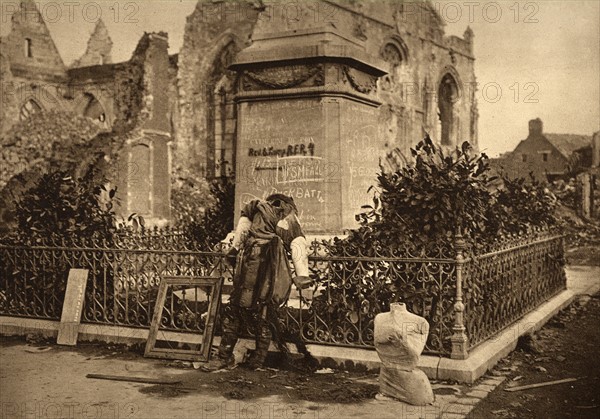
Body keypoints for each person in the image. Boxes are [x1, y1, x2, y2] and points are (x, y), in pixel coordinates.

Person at [203, 194, 312, 371]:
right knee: (245, 310)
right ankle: (233, 357)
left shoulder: (257, 210)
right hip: (254, 267)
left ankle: (248, 358)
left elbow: (242, 233)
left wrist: (235, 249)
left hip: (266, 268)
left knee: (261, 312)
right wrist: (302, 275)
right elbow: (298, 244)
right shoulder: (281, 216)